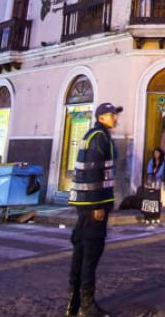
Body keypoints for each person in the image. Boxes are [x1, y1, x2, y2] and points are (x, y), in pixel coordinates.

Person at [66, 102, 122, 317]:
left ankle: (74, 303)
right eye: (112, 115)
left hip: (85, 205)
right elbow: (92, 172)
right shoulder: (99, 137)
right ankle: (86, 306)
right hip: (93, 206)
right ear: (101, 117)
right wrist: (98, 206)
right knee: (91, 254)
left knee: (81, 252)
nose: (115, 118)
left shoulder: (93, 136)